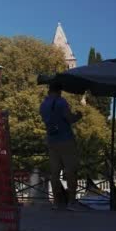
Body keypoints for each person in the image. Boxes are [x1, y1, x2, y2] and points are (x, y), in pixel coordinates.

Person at [39, 82, 83, 211]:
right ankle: (71, 202)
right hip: (66, 139)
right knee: (70, 171)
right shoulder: (61, 102)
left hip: (51, 140)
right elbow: (69, 118)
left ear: (49, 91)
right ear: (59, 91)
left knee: (54, 173)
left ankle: (57, 203)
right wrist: (78, 116)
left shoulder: (43, 105)